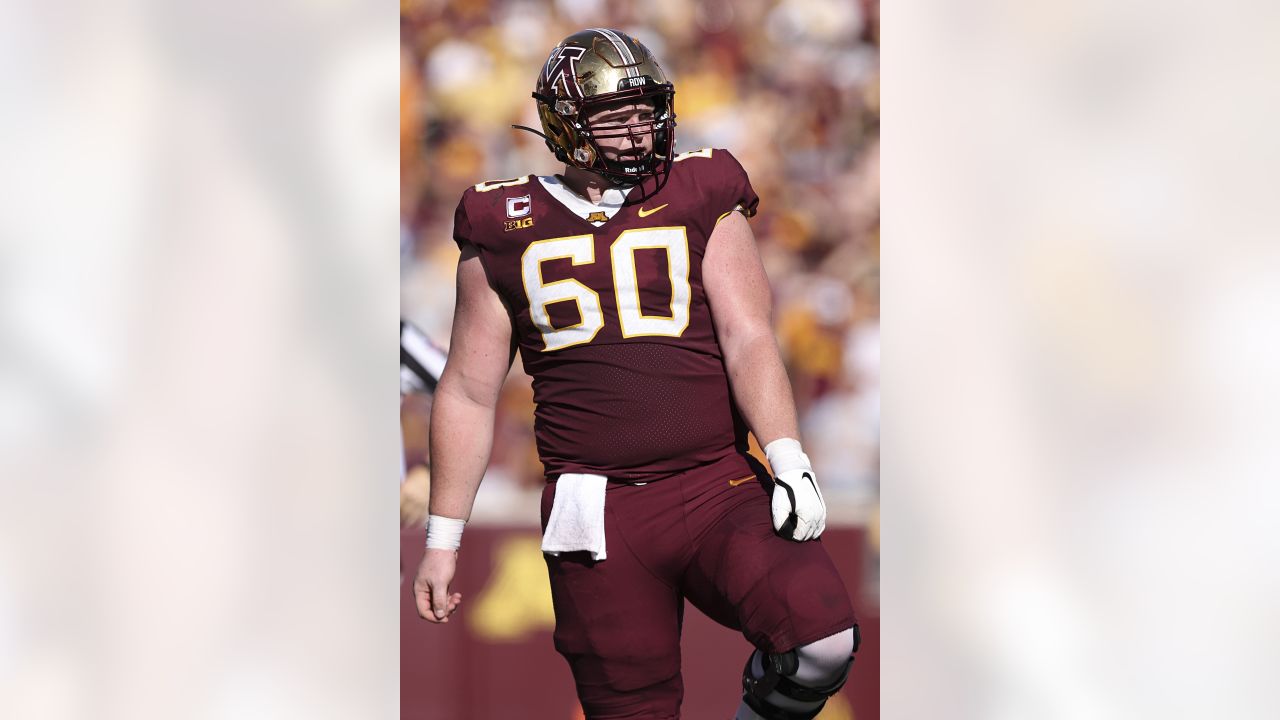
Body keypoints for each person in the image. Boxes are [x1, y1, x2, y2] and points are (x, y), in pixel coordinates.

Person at [412, 28, 859, 720]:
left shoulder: (700, 187)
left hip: (715, 481)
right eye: (615, 115)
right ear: (566, 124)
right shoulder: (502, 218)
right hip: (594, 511)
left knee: (823, 638)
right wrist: (445, 539)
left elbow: (747, 335)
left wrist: (788, 455)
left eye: (646, 110)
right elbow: (471, 389)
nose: (638, 128)